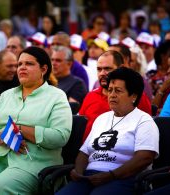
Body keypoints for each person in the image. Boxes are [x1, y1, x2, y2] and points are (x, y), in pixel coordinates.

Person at [0, 46, 72, 195]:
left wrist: (21, 129)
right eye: (19, 64)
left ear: (43, 69)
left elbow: (60, 137)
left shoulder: (56, 96)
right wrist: (3, 137)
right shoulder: (6, 96)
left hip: (33, 163)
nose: (22, 68)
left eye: (28, 64)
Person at [57, 67, 159, 195]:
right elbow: (84, 152)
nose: (112, 95)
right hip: (89, 176)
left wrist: (111, 175)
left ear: (133, 96)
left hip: (124, 178)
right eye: (110, 90)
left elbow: (145, 158)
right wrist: (78, 172)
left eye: (118, 91)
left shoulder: (144, 120)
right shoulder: (102, 119)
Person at [79, 50, 152, 142]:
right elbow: (79, 130)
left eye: (107, 69)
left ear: (120, 68)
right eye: (99, 69)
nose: (102, 73)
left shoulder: (136, 97)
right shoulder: (90, 96)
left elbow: (146, 134)